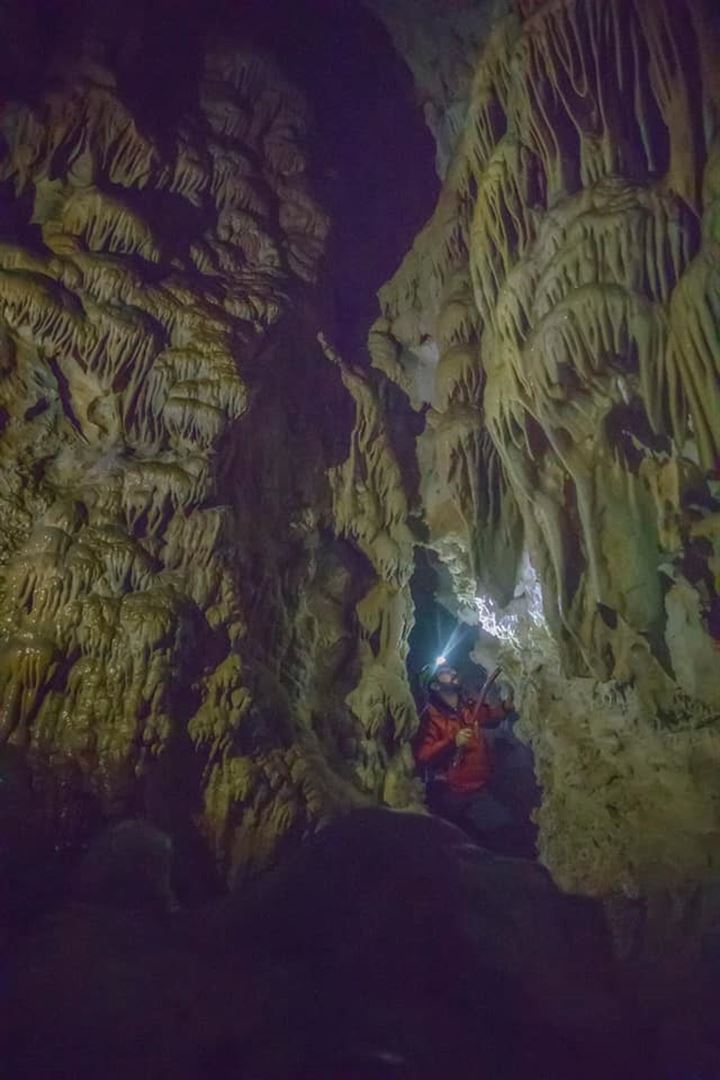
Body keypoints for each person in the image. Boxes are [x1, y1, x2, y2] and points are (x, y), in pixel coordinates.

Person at [415, 661, 535, 857]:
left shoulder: (467, 707)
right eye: (444, 672)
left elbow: (489, 716)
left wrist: (505, 708)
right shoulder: (430, 717)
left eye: (451, 669)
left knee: (499, 836)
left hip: (478, 788)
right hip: (452, 794)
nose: (452, 672)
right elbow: (423, 755)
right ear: (435, 685)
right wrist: (452, 742)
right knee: (461, 843)